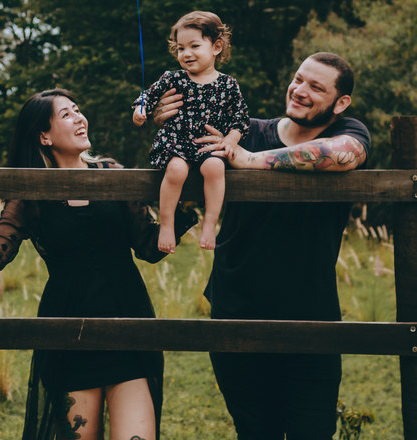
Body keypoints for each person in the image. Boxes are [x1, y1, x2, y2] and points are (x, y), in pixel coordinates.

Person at [0, 89, 195, 440]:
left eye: (79, 110)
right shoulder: (31, 191)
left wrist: (185, 206)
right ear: (44, 136)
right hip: (69, 333)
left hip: (128, 323)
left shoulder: (111, 173)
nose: (80, 118)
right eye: (67, 114)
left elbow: (147, 246)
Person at [153, 52, 371, 440]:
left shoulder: (348, 131)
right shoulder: (245, 130)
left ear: (340, 103)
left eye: (316, 87)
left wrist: (252, 161)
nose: (300, 91)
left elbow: (346, 154)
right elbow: (182, 152)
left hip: (312, 318)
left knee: (313, 431)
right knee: (255, 431)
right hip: (236, 311)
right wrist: (166, 120)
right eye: (299, 79)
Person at [132, 11, 249, 252]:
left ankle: (209, 223)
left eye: (194, 46)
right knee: (175, 170)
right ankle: (166, 224)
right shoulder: (172, 78)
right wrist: (140, 110)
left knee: (215, 167)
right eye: (180, 48)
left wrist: (231, 139)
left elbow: (240, 119)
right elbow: (147, 96)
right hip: (177, 143)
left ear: (216, 47)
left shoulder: (228, 84)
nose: (186, 53)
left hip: (208, 146)